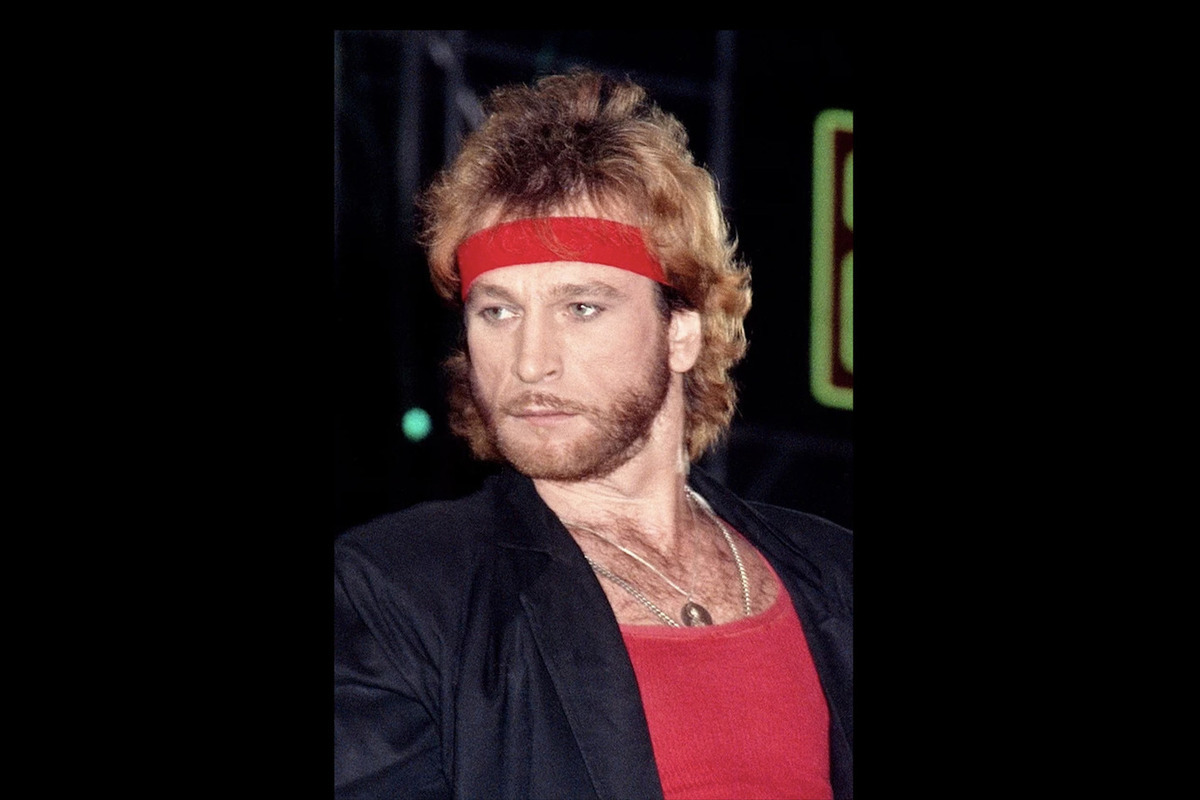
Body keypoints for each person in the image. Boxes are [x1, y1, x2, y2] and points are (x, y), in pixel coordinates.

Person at [334, 69, 852, 800]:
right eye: (497, 311)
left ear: (680, 332)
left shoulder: (836, 575)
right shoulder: (396, 589)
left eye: (581, 307)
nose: (530, 362)